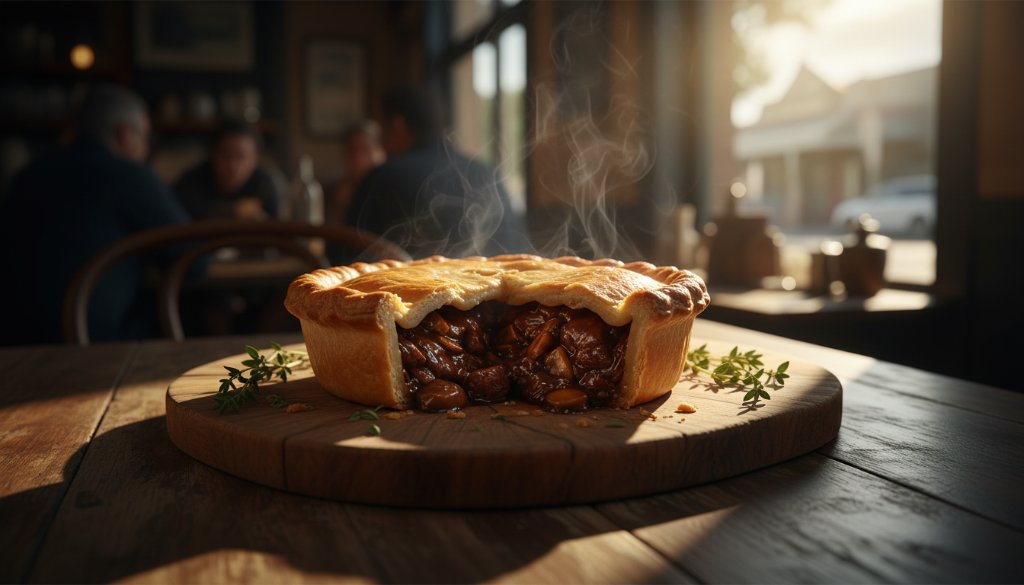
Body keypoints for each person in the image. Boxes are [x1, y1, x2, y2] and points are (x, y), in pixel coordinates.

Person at [0, 84, 193, 344]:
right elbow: (194, 258)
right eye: (145, 137)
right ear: (126, 134)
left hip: (15, 341)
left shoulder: (28, 174)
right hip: (89, 343)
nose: (146, 148)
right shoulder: (129, 175)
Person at [344, 85, 529, 258]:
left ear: (397, 125)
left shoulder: (383, 177)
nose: (381, 141)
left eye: (382, 129)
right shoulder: (487, 173)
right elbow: (516, 248)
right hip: (496, 289)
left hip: (412, 291)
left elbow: (343, 255)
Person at [174, 119, 283, 220]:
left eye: (241, 156)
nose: (233, 166)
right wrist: (234, 211)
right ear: (213, 154)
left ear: (255, 159)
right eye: (226, 155)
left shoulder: (264, 185)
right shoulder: (191, 182)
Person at [325, 119, 385, 226]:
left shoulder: (391, 188)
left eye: (366, 149)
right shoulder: (333, 193)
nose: (358, 159)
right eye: (352, 151)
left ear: (381, 151)